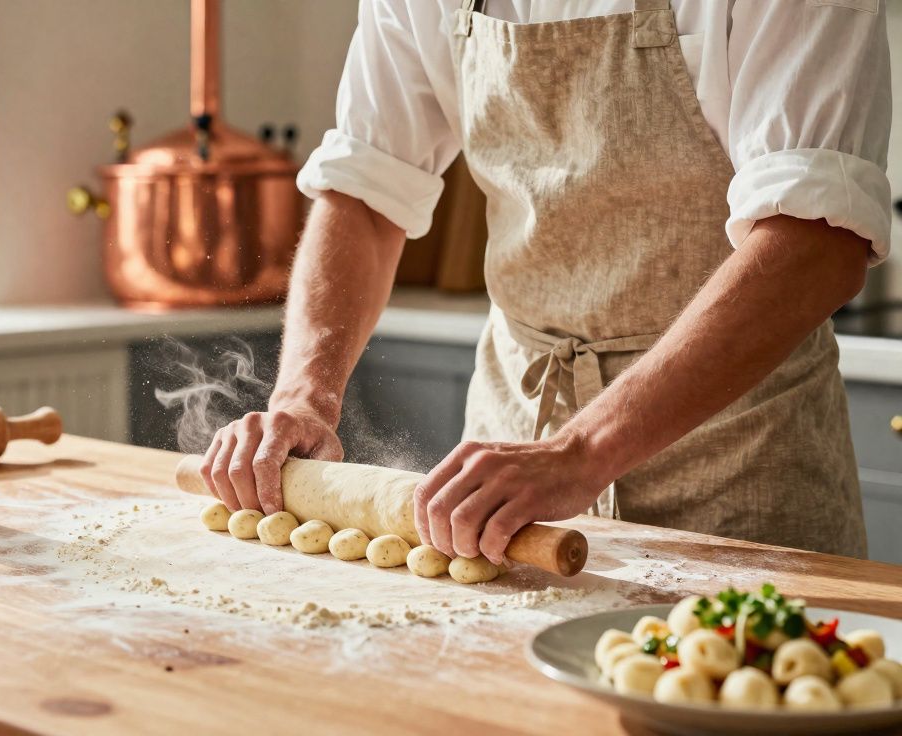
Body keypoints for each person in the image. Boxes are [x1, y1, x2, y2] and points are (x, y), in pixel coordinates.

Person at [199, 0, 890, 562]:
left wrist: (584, 449)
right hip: (515, 437)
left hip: (741, 452)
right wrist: (304, 395)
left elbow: (815, 239)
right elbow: (364, 191)